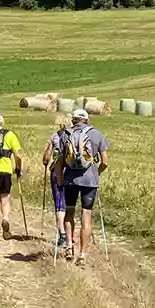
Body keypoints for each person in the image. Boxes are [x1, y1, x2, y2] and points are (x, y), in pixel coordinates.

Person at [50, 108, 109, 265]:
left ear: (73, 120)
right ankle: (82, 254)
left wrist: (61, 181)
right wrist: (97, 173)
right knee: (86, 217)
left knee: (69, 213)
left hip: (70, 180)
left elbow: (58, 163)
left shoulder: (65, 135)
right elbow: (105, 162)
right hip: (90, 181)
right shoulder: (97, 134)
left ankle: (69, 246)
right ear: (87, 120)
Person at [43, 114, 73, 254]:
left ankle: (62, 233)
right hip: (73, 173)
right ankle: (70, 234)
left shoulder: (54, 137)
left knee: (59, 204)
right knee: (70, 203)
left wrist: (46, 162)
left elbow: (46, 157)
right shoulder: (74, 135)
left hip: (57, 172)